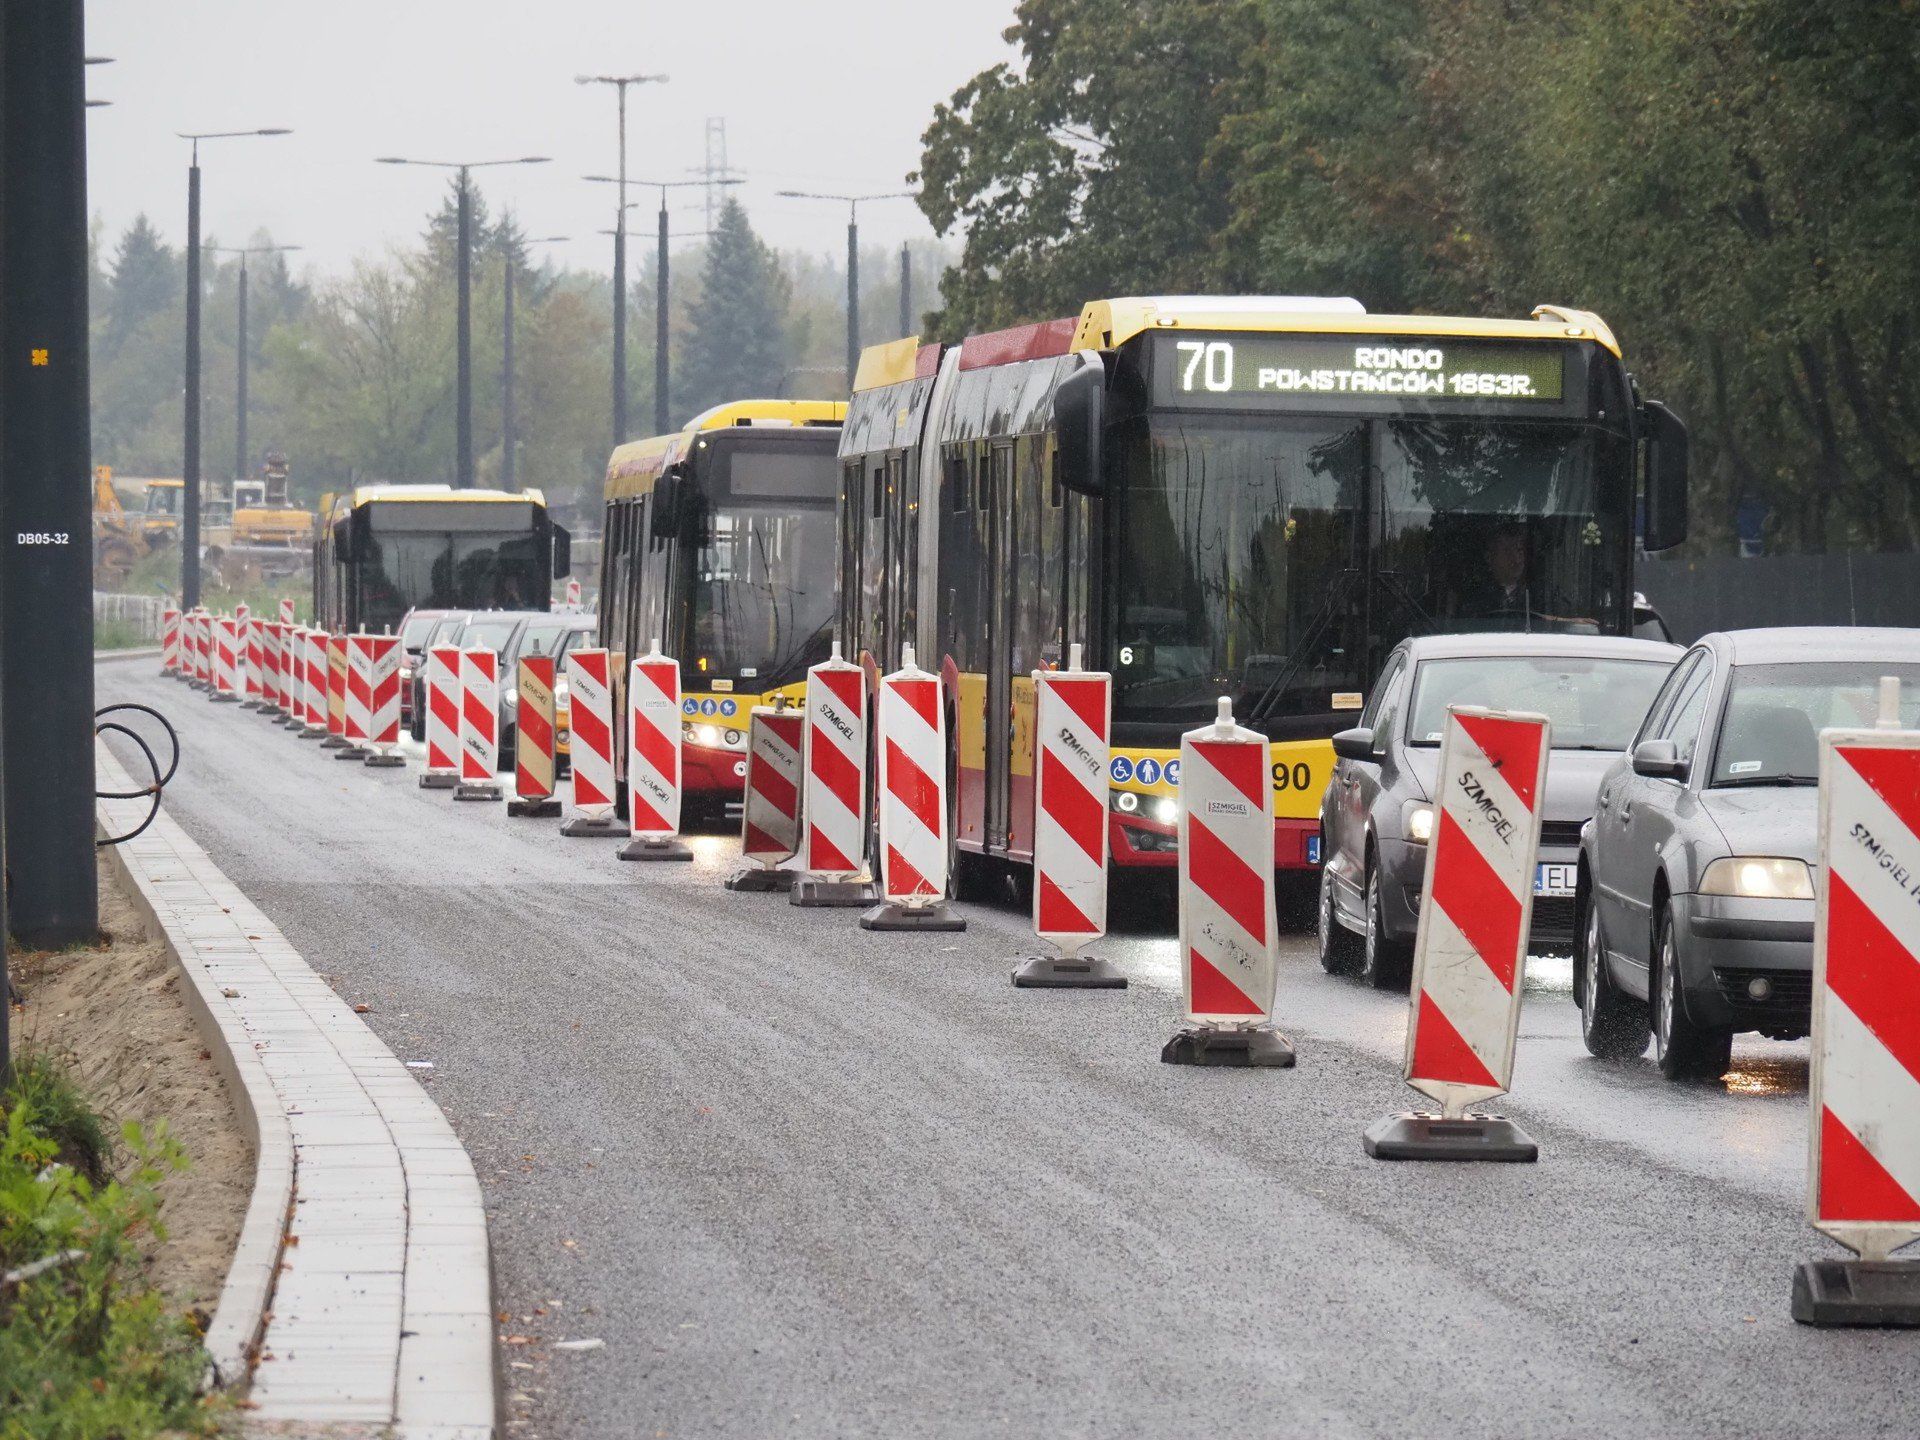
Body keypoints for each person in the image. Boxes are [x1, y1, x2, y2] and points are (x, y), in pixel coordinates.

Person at [1457, 522, 1537, 618]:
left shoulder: (1538, 595)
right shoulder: (1475, 598)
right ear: (1489, 557)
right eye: (1507, 550)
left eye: (1519, 550)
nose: (1516, 558)